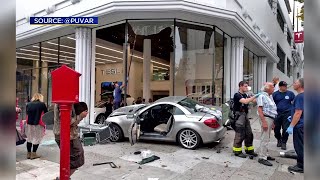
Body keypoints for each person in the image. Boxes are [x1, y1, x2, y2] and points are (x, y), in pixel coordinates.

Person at [54, 102, 89, 179]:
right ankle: (62, 178)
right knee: (76, 159)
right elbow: (66, 121)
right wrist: (80, 116)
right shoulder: (66, 103)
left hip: (68, 135)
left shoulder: (67, 103)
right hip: (68, 136)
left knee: (72, 160)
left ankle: (64, 177)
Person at [232, 81, 260, 158]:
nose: (247, 87)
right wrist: (254, 97)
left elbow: (253, 101)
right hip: (239, 117)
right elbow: (245, 101)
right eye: (245, 86)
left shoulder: (245, 94)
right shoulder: (237, 95)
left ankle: (249, 150)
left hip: (245, 116)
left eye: (247, 86)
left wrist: (257, 96)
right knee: (240, 134)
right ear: (240, 86)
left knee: (249, 134)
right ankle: (237, 151)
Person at [256, 82, 278, 166]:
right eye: (272, 87)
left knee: (267, 137)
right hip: (266, 118)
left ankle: (265, 154)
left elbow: (271, 109)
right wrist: (264, 122)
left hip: (270, 118)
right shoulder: (262, 96)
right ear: (267, 88)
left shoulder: (270, 96)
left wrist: (272, 122)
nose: (274, 88)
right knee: (264, 138)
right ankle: (262, 157)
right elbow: (260, 110)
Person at [287, 78, 304, 173]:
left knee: (300, 146)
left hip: (300, 125)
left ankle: (301, 166)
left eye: (295, 82)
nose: (293, 84)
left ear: (301, 85)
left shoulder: (300, 96)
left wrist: (291, 126)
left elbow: (298, 113)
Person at [272, 81, 295, 150]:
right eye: (284, 86)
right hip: (277, 114)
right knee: (276, 129)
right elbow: (272, 104)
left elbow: (294, 103)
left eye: (286, 86)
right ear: (280, 87)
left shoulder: (290, 93)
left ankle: (284, 142)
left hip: (287, 114)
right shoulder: (275, 94)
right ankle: (279, 139)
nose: (285, 87)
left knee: (286, 129)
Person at [25, 93, 48, 160]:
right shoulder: (42, 104)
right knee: (36, 138)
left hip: (29, 123)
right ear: (40, 97)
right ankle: (33, 154)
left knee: (29, 138)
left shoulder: (28, 104)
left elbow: (27, 113)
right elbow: (46, 113)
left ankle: (28, 154)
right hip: (38, 123)